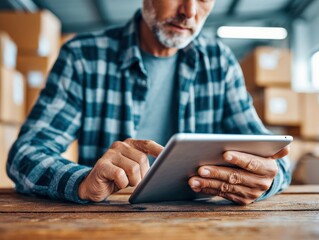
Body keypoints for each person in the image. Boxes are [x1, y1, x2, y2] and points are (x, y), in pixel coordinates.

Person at [7, 0, 291, 205]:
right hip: (104, 225)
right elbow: (25, 154)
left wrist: (268, 178)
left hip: (199, 225)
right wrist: (82, 182)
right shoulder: (84, 56)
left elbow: (274, 153)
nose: (189, 12)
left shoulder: (220, 62)